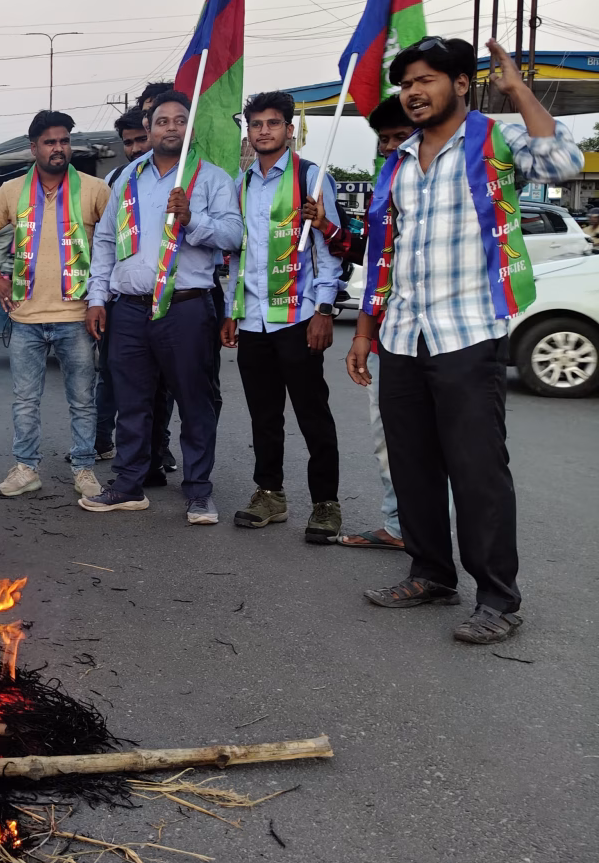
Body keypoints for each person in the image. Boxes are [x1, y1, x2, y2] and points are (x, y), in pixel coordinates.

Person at [347, 36, 584, 644]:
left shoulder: (494, 141)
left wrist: (517, 90)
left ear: (459, 84)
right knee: (412, 466)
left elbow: (563, 163)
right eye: (406, 83)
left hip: (469, 333)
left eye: (426, 79)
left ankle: (498, 600)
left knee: (477, 472)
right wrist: (366, 331)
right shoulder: (399, 161)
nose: (413, 92)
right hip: (404, 337)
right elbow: (385, 254)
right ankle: (430, 574)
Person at [82, 91, 243, 523]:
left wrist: (193, 219)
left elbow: (233, 236)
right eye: (162, 121)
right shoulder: (128, 179)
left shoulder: (211, 179)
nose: (171, 127)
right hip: (129, 308)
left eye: (179, 120)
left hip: (185, 308)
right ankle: (128, 484)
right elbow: (105, 241)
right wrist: (98, 298)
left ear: (190, 128)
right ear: (149, 129)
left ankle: (199, 492)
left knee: (194, 401)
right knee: (132, 401)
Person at [220, 92, 343, 542]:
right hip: (253, 321)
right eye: (256, 124)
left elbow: (328, 251)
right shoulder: (241, 184)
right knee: (264, 416)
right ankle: (269, 494)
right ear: (249, 133)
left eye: (273, 123)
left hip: (298, 317)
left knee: (313, 414)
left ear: (289, 130)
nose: (264, 131)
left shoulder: (312, 178)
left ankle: (326, 503)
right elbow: (238, 255)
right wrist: (232, 309)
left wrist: (324, 310)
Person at [0, 110, 111, 498]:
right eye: (50, 142)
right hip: (26, 317)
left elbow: (112, 245)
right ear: (33, 147)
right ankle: (25, 468)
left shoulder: (95, 189)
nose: (58, 148)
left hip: (77, 315)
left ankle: (84, 469)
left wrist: (101, 299)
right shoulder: (12, 190)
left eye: (64, 141)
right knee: (25, 401)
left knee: (83, 400)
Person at [339, 96, 415, 553]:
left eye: (399, 137)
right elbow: (374, 264)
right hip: (390, 335)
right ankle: (398, 526)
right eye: (384, 140)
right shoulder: (385, 192)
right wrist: (363, 335)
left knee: (443, 447)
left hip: (447, 342)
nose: (389, 147)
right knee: (388, 439)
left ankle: (430, 540)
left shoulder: (453, 188)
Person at [96, 109, 154, 460]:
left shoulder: (186, 177)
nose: (135, 148)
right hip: (123, 299)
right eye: (128, 143)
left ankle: (157, 452)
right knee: (111, 373)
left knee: (165, 385)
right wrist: (98, 296)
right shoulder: (118, 179)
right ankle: (102, 440)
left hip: (172, 299)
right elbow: (104, 237)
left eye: (140, 140)